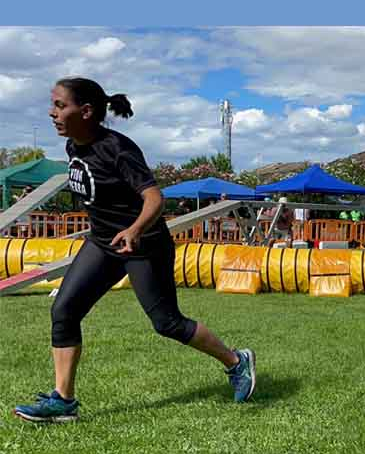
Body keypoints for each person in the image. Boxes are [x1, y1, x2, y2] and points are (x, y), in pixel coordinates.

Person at [13, 77, 256, 423]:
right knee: (64, 311)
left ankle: (236, 361)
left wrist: (135, 229)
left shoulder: (118, 149)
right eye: (52, 104)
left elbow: (154, 197)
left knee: (167, 323)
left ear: (85, 112)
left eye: (59, 105)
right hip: (102, 243)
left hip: (144, 246)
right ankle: (63, 401)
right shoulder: (73, 148)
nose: (52, 113)